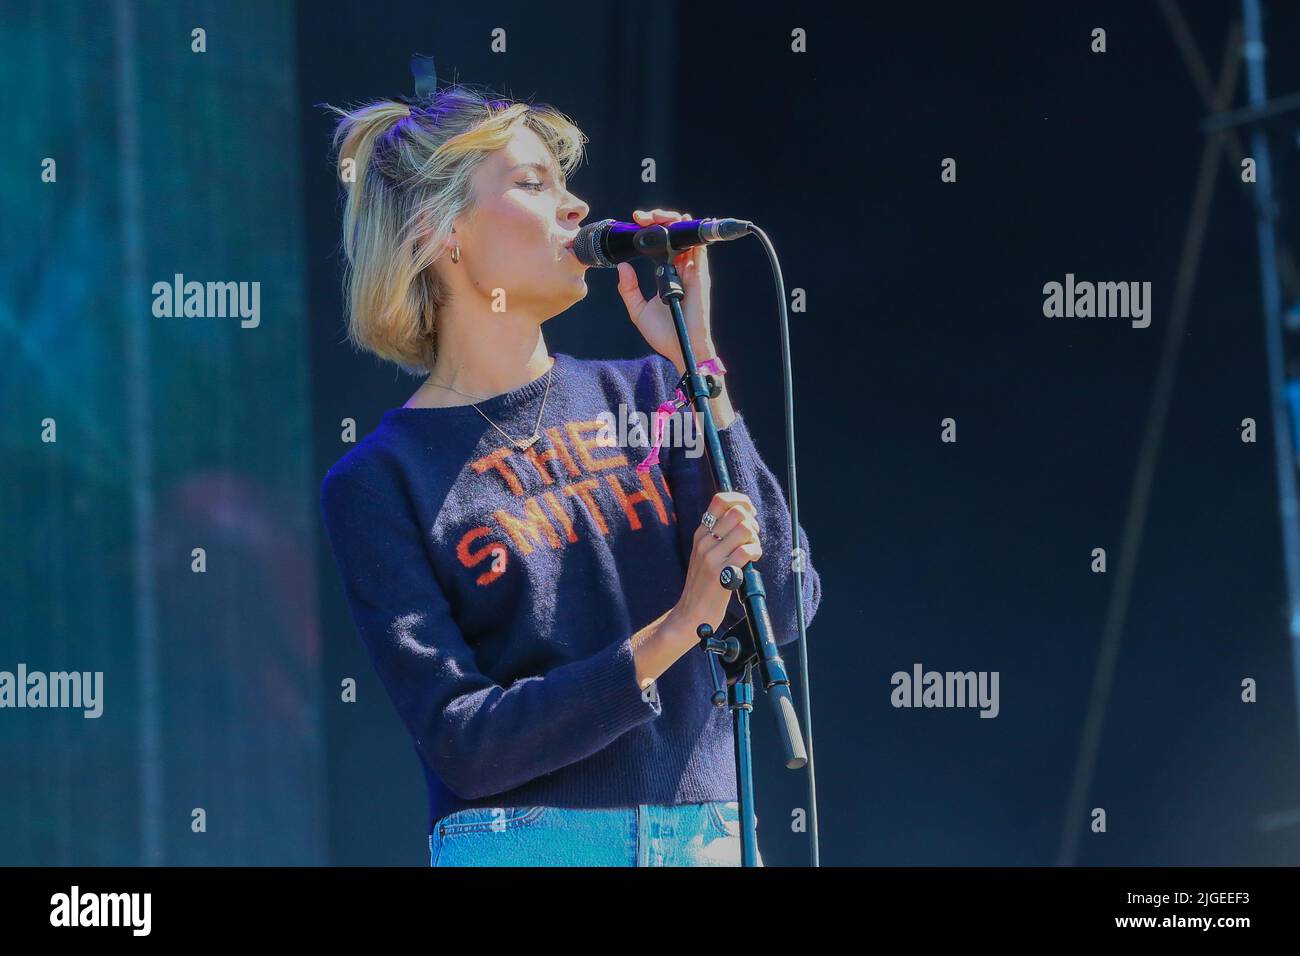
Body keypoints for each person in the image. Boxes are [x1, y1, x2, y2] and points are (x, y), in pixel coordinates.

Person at [318, 84, 821, 866]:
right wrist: (677, 626)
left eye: (564, 181)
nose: (578, 207)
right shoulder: (379, 480)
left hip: (706, 841)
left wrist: (702, 365)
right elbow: (467, 741)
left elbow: (783, 604)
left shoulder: (658, 394)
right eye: (532, 183)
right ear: (443, 232)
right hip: (528, 846)